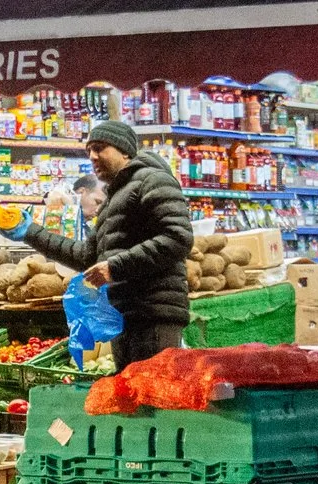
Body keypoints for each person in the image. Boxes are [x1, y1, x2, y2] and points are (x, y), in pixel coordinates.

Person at [13, 120, 194, 366]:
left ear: (125, 150)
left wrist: (115, 267)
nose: (93, 156)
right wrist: (30, 232)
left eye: (99, 148)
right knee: (130, 398)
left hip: (153, 316)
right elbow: (88, 257)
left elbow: (177, 238)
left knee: (153, 395)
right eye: (88, 151)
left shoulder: (153, 181)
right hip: (122, 315)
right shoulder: (113, 197)